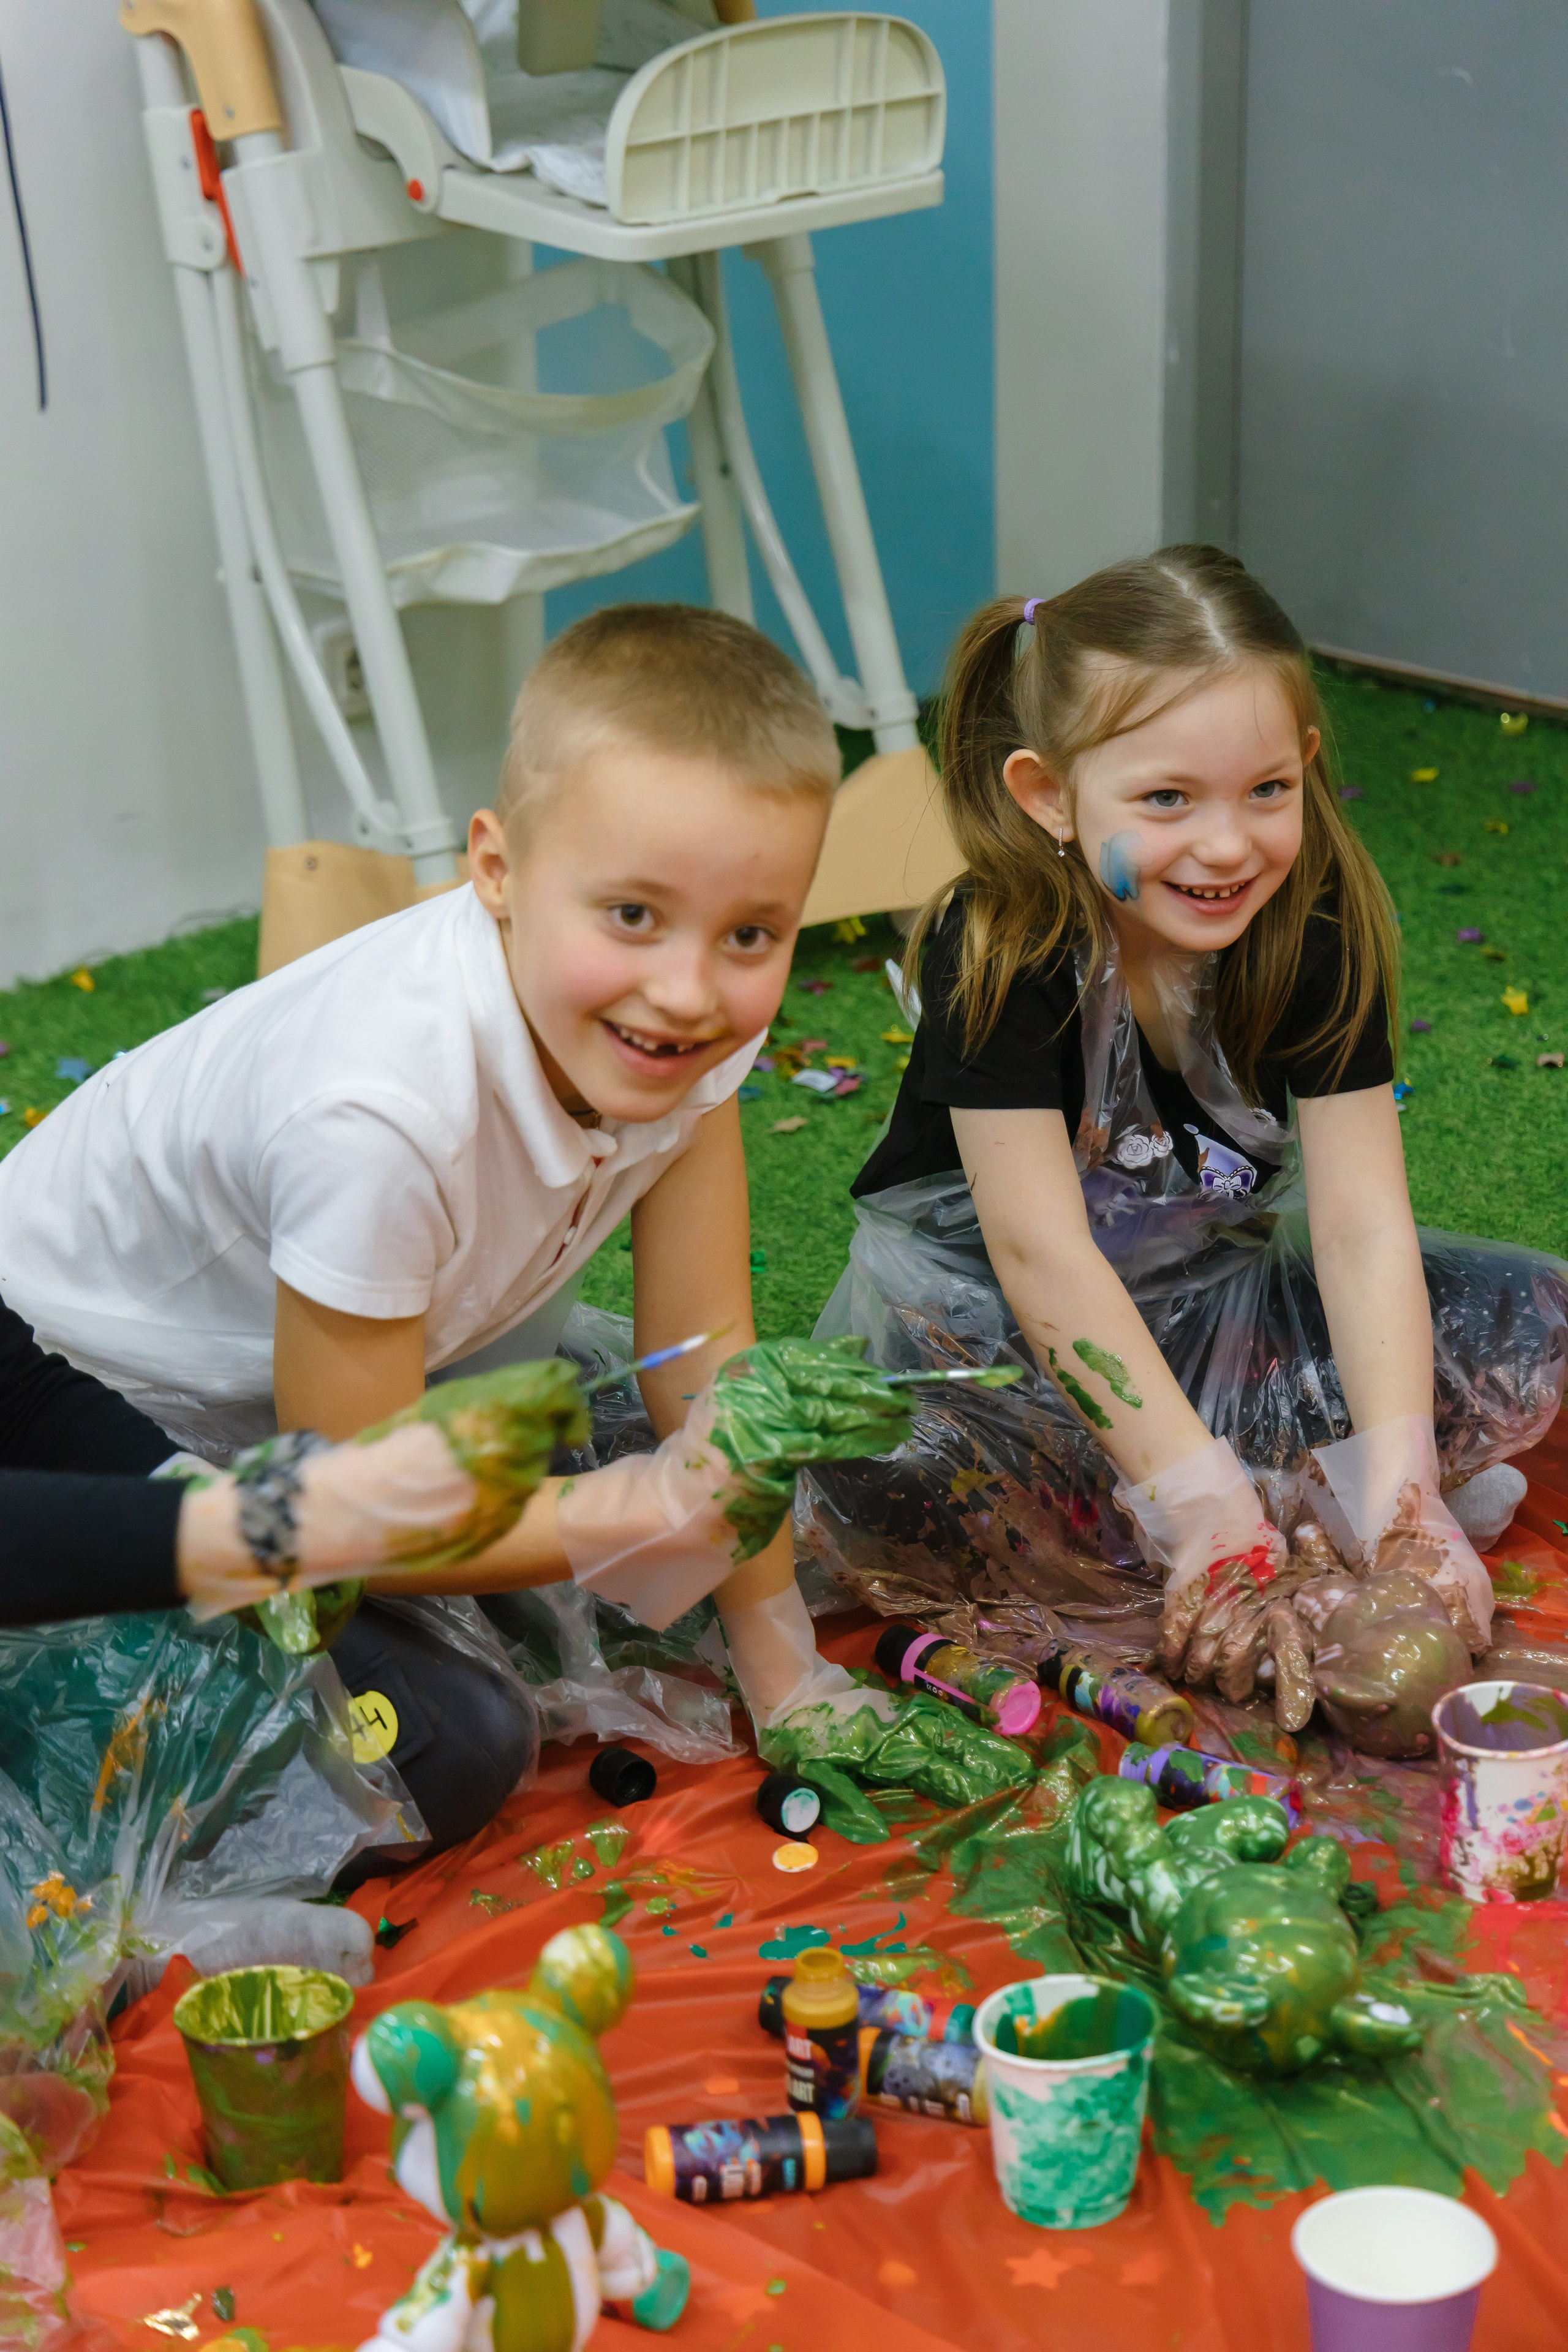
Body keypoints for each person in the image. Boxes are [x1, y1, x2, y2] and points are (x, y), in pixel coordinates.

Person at [0, 605, 942, 1803]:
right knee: (450, 1745)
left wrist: (785, 1667)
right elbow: (352, 1501)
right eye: (632, 916)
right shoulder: (378, 1112)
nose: (688, 992)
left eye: (751, 933)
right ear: (495, 870)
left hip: (367, 1376)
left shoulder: (681, 1029)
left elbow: (701, 1350)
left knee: (796, 1502)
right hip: (107, 1422)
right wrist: (635, 1510)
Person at [813, 547, 1565, 1727]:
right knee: (892, 1477)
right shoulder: (1001, 944)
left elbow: (1363, 1230)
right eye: (1167, 800)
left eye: (1267, 790)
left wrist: (1407, 1494)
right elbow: (1039, 1258)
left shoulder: (1313, 921)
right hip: (999, 1340)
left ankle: (1302, 1502)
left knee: (1521, 1318)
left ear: (1306, 764)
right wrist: (1199, 1502)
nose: (1227, 847)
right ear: (1049, 796)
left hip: (1215, 1305)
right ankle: (1243, 1502)